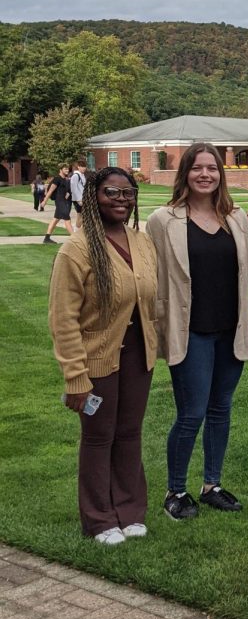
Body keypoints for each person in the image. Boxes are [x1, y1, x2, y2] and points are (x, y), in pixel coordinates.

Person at [48, 168, 158, 544]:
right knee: (98, 437)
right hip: (97, 360)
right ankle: (99, 519)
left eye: (128, 193)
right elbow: (63, 320)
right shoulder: (76, 250)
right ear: (93, 196)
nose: (122, 200)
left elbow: (150, 299)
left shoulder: (141, 242)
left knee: (129, 434)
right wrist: (75, 377)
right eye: (112, 192)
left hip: (137, 357)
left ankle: (130, 510)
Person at [147, 143, 248, 521]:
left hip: (231, 330)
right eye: (197, 168)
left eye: (212, 168)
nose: (205, 174)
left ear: (221, 174)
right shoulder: (163, 220)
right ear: (186, 174)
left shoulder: (237, 218)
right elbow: (152, 278)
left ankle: (212, 486)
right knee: (191, 413)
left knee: (220, 409)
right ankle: (175, 490)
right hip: (189, 331)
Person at [42, 164, 73, 243]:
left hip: (64, 201)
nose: (67, 170)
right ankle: (74, 239)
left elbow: (66, 190)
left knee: (55, 219)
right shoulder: (57, 179)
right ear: (60, 170)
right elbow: (50, 191)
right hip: (60, 202)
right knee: (67, 220)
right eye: (65, 169)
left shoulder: (65, 179)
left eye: (67, 169)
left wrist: (68, 193)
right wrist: (45, 201)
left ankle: (47, 238)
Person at [69, 159, 87, 228]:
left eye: (84, 167)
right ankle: (76, 230)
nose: (84, 168)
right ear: (78, 167)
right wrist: (79, 199)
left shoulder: (82, 175)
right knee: (81, 215)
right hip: (78, 199)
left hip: (82, 198)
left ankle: (77, 229)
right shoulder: (76, 176)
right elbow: (73, 188)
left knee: (81, 215)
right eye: (82, 166)